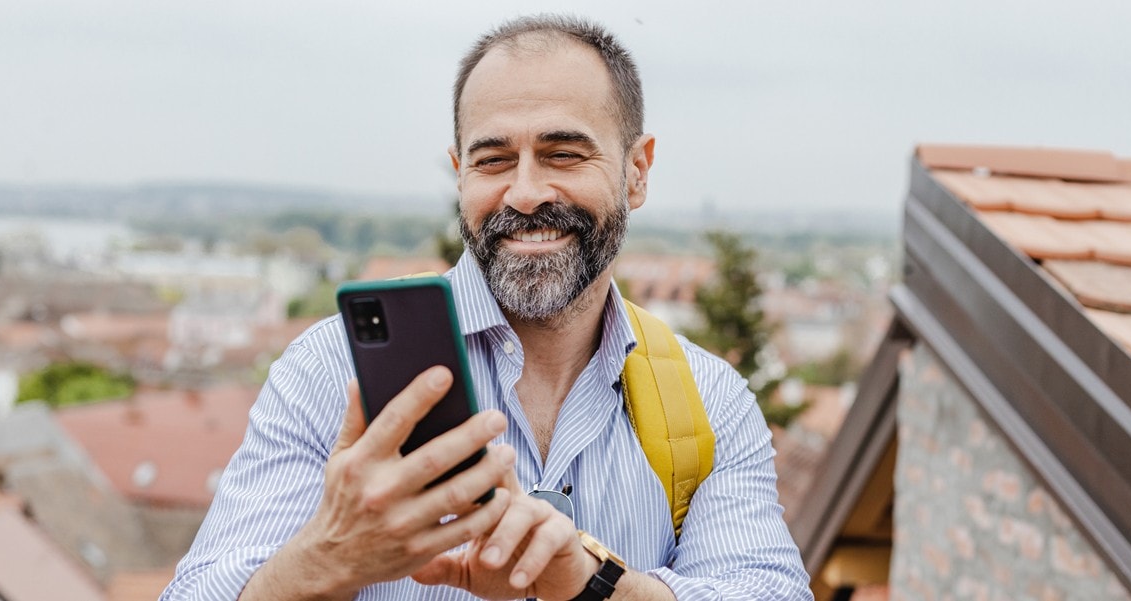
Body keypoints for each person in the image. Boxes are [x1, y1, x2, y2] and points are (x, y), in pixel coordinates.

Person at [162, 14, 811, 601]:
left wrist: (589, 586)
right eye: (493, 159)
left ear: (637, 170)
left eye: (563, 152)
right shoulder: (330, 373)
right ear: (460, 173)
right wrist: (329, 556)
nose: (525, 192)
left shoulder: (710, 401)